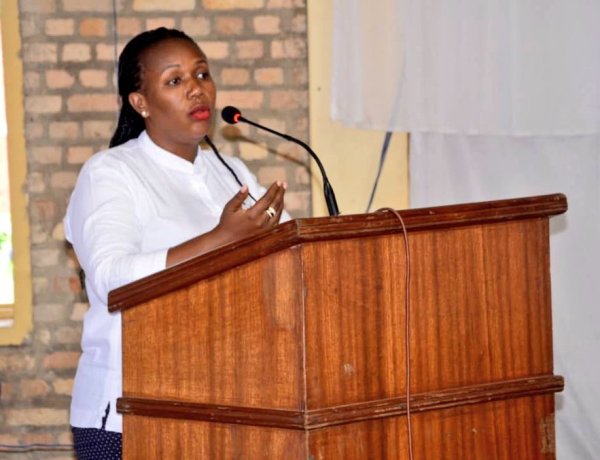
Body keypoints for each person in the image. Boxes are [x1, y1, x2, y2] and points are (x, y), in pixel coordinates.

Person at [64, 27, 287, 459]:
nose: (196, 89)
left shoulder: (231, 172)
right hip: (129, 415)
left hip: (225, 403)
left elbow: (295, 251)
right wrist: (221, 239)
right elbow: (111, 279)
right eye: (175, 80)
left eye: (202, 74)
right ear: (140, 103)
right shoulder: (110, 173)